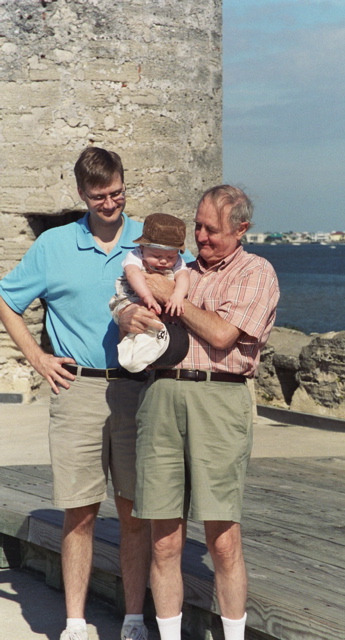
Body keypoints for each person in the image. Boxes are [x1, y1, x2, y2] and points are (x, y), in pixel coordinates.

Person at [0, 147, 185, 640]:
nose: (111, 203)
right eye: (100, 196)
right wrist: (36, 358)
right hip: (77, 388)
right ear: (82, 194)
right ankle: (76, 623)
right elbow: (5, 298)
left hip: (141, 392)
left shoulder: (153, 238)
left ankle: (131, 619)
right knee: (79, 513)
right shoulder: (54, 245)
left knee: (133, 512)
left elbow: (189, 285)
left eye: (118, 192)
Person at [122, 185, 280, 640]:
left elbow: (222, 334)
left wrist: (176, 296)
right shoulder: (179, 269)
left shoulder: (257, 272)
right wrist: (126, 316)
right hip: (161, 398)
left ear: (242, 229)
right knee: (164, 539)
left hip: (219, 400)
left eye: (212, 229)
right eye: (197, 225)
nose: (201, 237)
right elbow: (132, 306)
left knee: (223, 540)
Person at [109, 213, 190, 373]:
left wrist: (178, 295)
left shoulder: (178, 261)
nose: (164, 261)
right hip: (131, 297)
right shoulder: (135, 255)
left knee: (153, 330)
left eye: (170, 256)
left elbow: (184, 276)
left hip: (159, 304)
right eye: (156, 255)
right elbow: (133, 273)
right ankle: (133, 357)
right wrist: (146, 296)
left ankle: (149, 358)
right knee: (136, 324)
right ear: (143, 247)